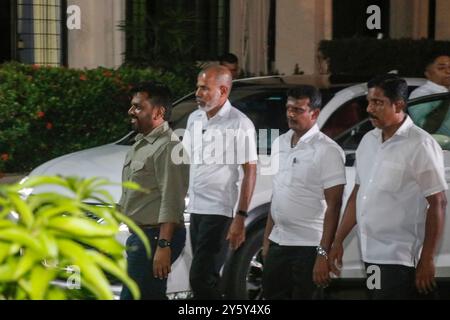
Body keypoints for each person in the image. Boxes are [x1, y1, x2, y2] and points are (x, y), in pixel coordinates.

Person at [329, 74, 447, 300]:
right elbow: (358, 195)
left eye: (378, 103)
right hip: (372, 254)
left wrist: (427, 258)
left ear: (399, 105)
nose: (369, 109)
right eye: (369, 102)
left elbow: (438, 202)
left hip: (401, 258)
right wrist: (338, 240)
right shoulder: (368, 141)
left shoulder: (420, 144)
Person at [262, 85, 346, 299]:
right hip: (279, 243)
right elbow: (277, 194)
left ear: (314, 113)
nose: (290, 114)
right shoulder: (280, 142)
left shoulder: (327, 150)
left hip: (308, 247)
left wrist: (323, 253)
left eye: (298, 110)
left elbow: (334, 206)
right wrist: (267, 240)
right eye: (288, 108)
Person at [183, 65, 257, 299]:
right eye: (197, 87)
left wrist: (241, 217)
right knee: (205, 280)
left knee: (200, 279)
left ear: (223, 90)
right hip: (194, 209)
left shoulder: (240, 123)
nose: (198, 93)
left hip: (219, 211)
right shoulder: (194, 118)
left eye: (204, 88)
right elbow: (184, 161)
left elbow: (250, 171)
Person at [119, 82, 189, 300]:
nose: (131, 112)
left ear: (159, 112)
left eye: (138, 107)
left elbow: (172, 201)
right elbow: (132, 194)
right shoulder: (141, 143)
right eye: (132, 106)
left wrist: (164, 246)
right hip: (141, 237)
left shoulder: (169, 147)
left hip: (155, 237)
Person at [409, 54, 450, 134]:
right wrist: (447, 99)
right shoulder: (420, 94)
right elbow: (427, 128)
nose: (448, 71)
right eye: (441, 68)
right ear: (428, 73)